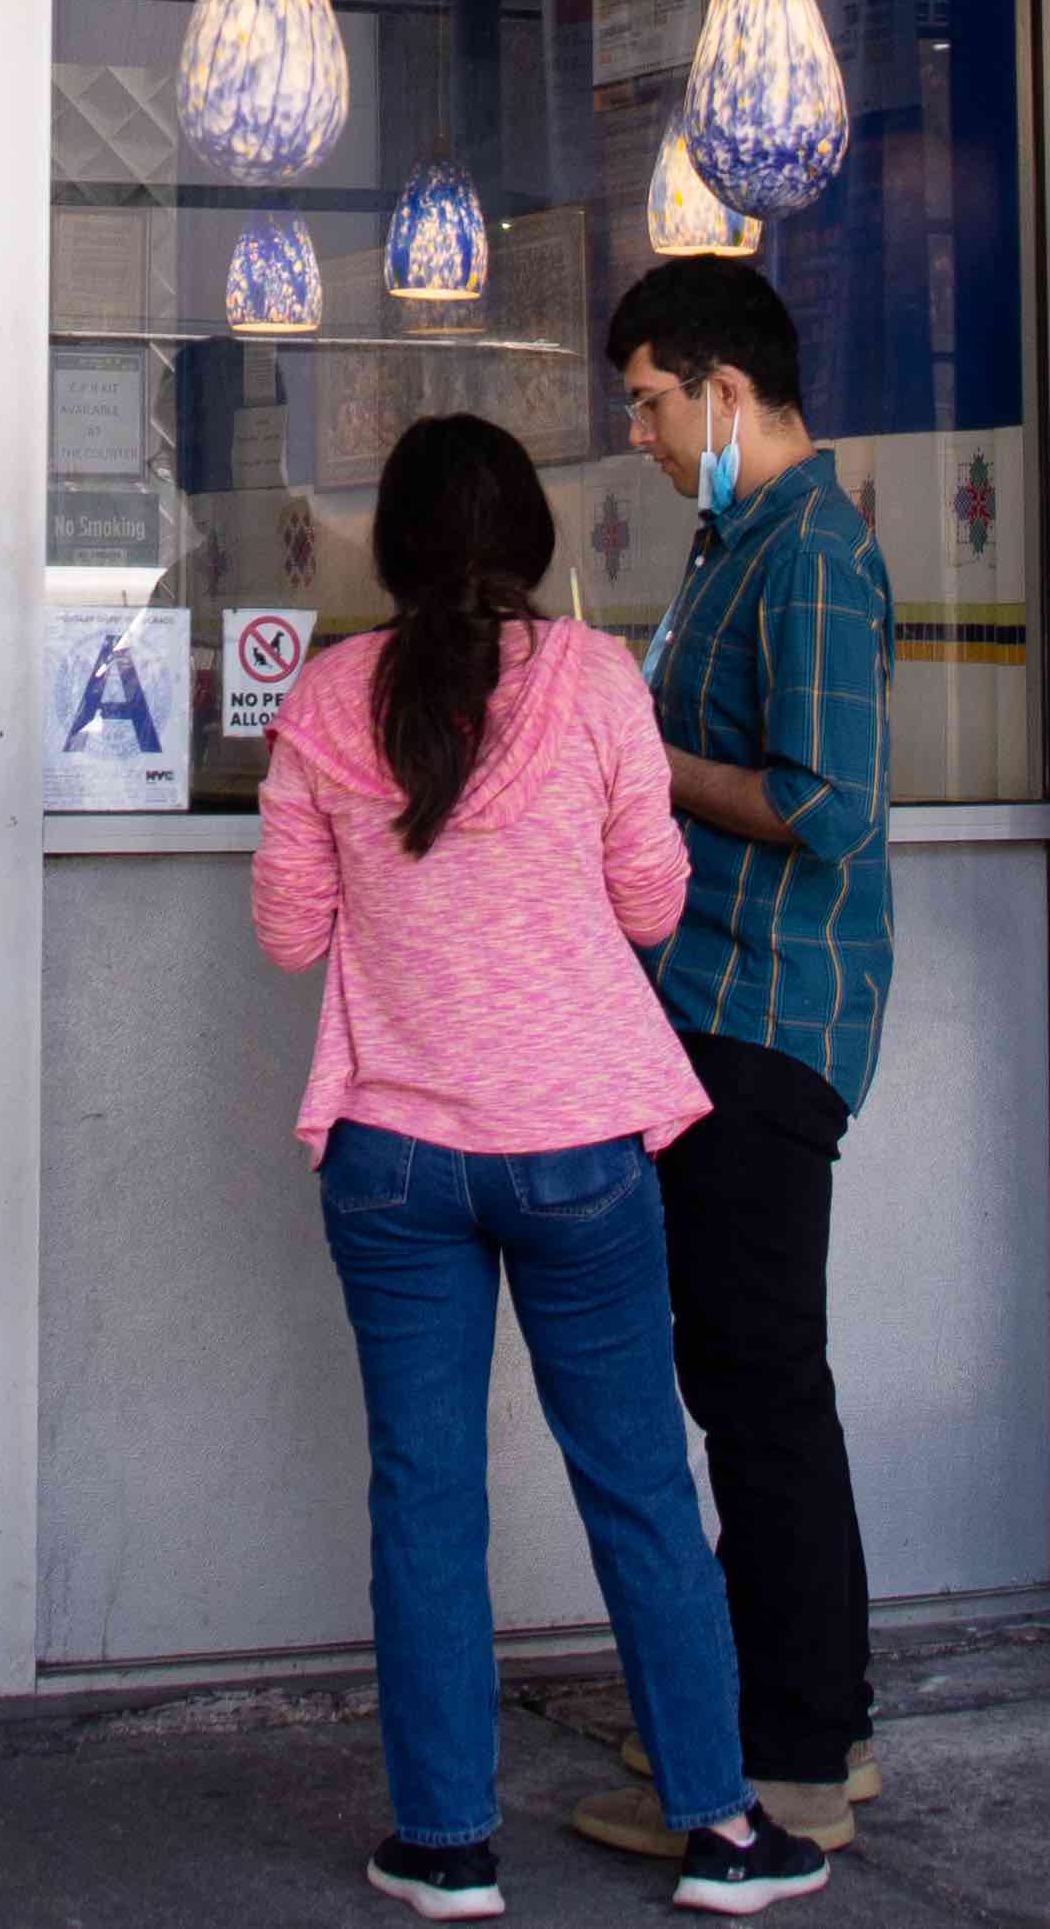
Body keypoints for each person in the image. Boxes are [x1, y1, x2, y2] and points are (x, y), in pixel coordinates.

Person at [255, 415, 834, 1923]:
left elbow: (287, 933)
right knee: (640, 1481)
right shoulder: (591, 681)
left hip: (392, 1159)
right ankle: (721, 1829)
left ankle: (446, 1846)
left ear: (390, 549)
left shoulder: (326, 698)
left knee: (425, 1494)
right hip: (580, 1148)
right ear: (537, 545)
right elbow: (654, 897)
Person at [574, 258, 891, 1869]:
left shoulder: (816, 557)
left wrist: (647, 758)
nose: (633, 428)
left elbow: (826, 803)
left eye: (645, 397)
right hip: (704, 1004)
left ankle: (791, 1764)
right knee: (742, 1376)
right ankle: (802, 1709)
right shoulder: (733, 542)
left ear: (725, 391)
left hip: (775, 1015)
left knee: (761, 1385)